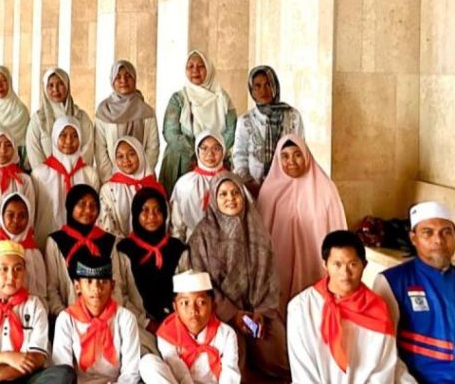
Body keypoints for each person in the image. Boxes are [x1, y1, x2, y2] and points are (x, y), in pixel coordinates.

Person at [372, 201, 455, 383]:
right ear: (413, 238)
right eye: (427, 232)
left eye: (446, 232)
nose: (438, 240)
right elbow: (385, 352)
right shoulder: (392, 282)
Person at [188, 173, 290, 380]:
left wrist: (261, 311)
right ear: (214, 199)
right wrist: (233, 314)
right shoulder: (202, 235)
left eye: (235, 193)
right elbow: (202, 283)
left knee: (278, 356)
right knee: (236, 358)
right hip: (221, 313)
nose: (231, 199)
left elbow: (270, 273)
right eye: (223, 194)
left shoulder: (256, 228)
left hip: (258, 309)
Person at [0, 240, 74, 384]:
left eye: (18, 269)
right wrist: (5, 357)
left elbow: (37, 357)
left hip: (25, 377)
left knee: (64, 373)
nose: (11, 276)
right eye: (4, 269)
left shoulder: (34, 305)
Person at [288, 230, 398, 384]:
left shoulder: (378, 310)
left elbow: (382, 370)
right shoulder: (301, 308)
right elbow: (303, 372)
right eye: (337, 264)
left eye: (353, 264)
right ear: (325, 265)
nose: (345, 273)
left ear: (364, 265)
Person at [256, 134, 347, 303]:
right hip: (279, 265)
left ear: (306, 156)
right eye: (285, 156)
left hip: (314, 263)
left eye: (297, 155)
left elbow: (338, 229)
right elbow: (259, 236)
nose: (291, 161)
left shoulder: (325, 188)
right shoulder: (269, 191)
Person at [139, 270, 242, 384]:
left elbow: (230, 373)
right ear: (175, 307)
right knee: (147, 363)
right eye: (185, 303)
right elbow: (178, 369)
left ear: (213, 305)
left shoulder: (226, 334)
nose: (193, 310)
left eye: (201, 302)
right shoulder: (167, 334)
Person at [51, 255, 141, 384]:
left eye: (103, 281)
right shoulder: (66, 320)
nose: (96, 289)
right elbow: (62, 370)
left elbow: (130, 372)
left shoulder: (126, 319)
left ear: (112, 286)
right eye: (89, 281)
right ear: (77, 286)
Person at [160, 50, 237, 194]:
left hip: (216, 159)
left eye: (201, 66)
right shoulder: (178, 98)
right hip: (183, 159)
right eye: (190, 66)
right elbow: (170, 132)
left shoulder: (222, 98)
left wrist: (213, 151)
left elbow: (232, 131)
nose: (195, 70)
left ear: (208, 68)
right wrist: (196, 153)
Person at [116, 188, 189, 339]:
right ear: (136, 214)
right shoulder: (124, 250)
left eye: (158, 210)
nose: (152, 216)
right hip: (137, 326)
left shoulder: (177, 248)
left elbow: (187, 290)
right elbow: (120, 294)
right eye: (145, 211)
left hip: (178, 324)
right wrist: (146, 323)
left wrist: (176, 319)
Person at [44, 184, 126, 317]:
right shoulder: (55, 241)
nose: (88, 210)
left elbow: (116, 284)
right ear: (71, 206)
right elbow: (51, 289)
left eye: (93, 205)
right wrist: (67, 318)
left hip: (107, 320)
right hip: (69, 319)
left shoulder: (108, 241)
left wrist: (108, 318)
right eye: (81, 204)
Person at [232, 65, 304, 194]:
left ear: (275, 86)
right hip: (254, 188)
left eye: (268, 84)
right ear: (252, 90)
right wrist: (249, 183)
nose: (263, 90)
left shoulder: (293, 116)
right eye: (257, 86)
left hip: (287, 187)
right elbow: (239, 156)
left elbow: (301, 150)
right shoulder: (245, 121)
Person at [31, 116, 100, 243]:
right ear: (54, 137)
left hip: (82, 241)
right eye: (63, 135)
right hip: (45, 239)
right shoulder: (39, 174)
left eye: (75, 136)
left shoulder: (90, 174)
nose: (69, 141)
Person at [94, 60, 159, 183]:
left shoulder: (146, 111)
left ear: (134, 78)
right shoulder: (104, 110)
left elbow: (153, 147)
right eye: (118, 77)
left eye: (128, 76)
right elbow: (100, 148)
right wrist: (111, 179)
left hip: (143, 179)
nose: (123, 80)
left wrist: (143, 174)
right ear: (112, 80)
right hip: (112, 179)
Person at [0, 192, 47, 302]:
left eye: (22, 216)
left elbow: (40, 290)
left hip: (28, 307)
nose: (16, 220)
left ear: (29, 218)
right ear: (2, 216)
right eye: (10, 215)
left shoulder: (33, 249)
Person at [25, 67, 94, 172]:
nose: (55, 89)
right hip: (46, 178)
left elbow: (87, 150)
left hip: (78, 176)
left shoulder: (81, 117)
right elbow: (34, 150)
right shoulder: (38, 119)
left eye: (60, 84)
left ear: (67, 86)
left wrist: (75, 174)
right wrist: (47, 176)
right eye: (51, 85)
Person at [170, 131, 230, 243]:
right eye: (204, 148)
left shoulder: (232, 181)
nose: (210, 154)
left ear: (223, 151)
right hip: (193, 243)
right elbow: (177, 226)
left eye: (216, 148)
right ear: (197, 151)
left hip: (227, 243)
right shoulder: (184, 183)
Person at [98, 136, 162, 238]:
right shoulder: (108, 190)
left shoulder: (154, 187)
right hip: (120, 245)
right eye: (120, 156)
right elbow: (107, 226)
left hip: (152, 244)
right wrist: (127, 245)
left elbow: (163, 220)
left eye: (131, 154)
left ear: (140, 154)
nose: (126, 160)